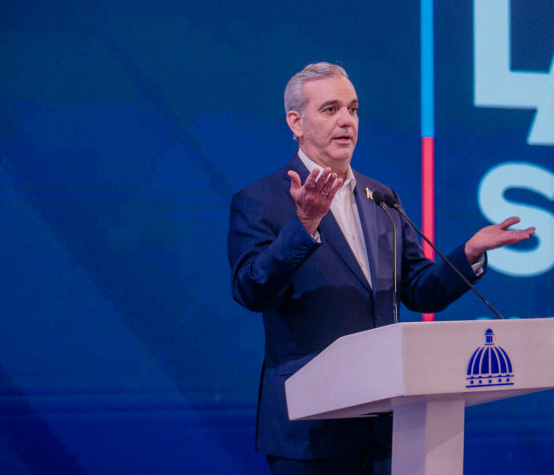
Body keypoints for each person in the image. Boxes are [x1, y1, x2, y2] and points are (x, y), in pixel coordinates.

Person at [227, 62, 535, 474]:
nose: (346, 121)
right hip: (311, 430)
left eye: (353, 109)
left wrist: (469, 252)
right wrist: (304, 227)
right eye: (331, 109)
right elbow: (252, 291)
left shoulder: (381, 198)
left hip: (388, 427)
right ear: (296, 122)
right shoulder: (261, 200)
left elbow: (420, 290)